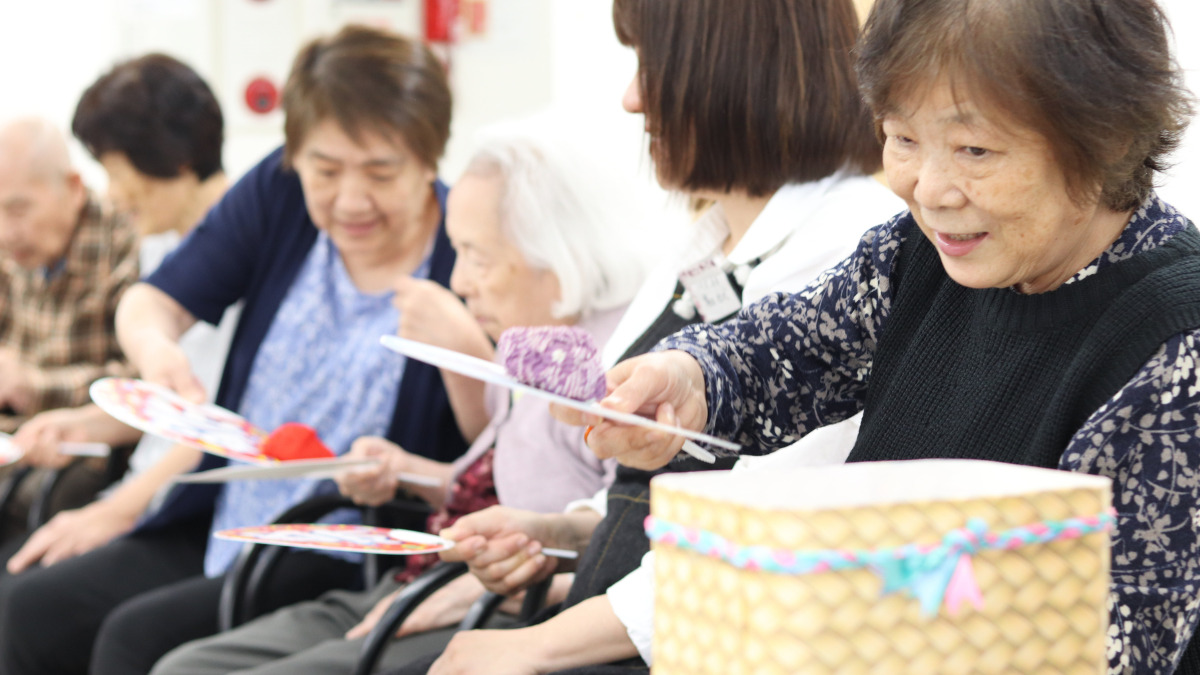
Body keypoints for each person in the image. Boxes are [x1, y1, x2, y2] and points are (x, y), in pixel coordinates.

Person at [512, 0, 1199, 673]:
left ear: (1105, 138)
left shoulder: (1174, 338)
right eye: (902, 139)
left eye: (975, 149)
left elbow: (1109, 644)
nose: (929, 189)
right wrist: (688, 379)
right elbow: (780, 350)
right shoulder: (922, 254)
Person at [391, 0, 904, 673]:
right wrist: (555, 533)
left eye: (649, 65)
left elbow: (766, 528)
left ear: (731, 74)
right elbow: (639, 490)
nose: (632, 99)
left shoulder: (851, 244)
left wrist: (534, 645)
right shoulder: (703, 244)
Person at [0, 25, 469, 675]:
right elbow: (150, 302)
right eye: (325, 171)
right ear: (296, 156)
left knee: (135, 639)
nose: (350, 199)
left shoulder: (463, 248)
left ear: (428, 157)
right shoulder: (277, 196)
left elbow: (492, 441)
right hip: (226, 510)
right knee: (30, 605)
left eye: (381, 171)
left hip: (343, 542)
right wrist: (158, 353)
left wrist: (459, 343)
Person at [149, 128, 646, 675]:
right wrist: (408, 471)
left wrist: (506, 580)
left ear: (555, 254)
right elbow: (492, 492)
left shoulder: (612, 368)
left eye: (477, 258)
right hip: (422, 574)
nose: (459, 281)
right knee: (184, 667)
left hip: (493, 607)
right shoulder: (531, 344)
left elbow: (620, 537)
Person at [4, 53, 234, 572]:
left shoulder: (222, 256)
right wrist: (78, 425)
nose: (111, 192)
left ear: (170, 158)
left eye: (114, 169)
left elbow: (212, 422)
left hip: (181, 501)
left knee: (24, 601)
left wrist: (111, 511)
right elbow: (159, 401)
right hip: (144, 480)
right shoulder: (162, 242)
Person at [0, 116, 139, 540]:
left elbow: (141, 387)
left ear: (74, 188)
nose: (6, 233)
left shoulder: (126, 240)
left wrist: (33, 385)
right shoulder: (12, 252)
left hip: (87, 448)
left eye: (18, 210)